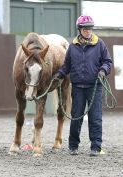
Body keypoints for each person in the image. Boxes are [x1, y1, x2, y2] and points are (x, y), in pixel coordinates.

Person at [55, 15, 113, 156]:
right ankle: (73, 146)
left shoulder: (99, 44)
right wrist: (60, 74)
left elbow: (107, 62)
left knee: (95, 118)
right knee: (76, 117)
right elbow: (67, 65)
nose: (88, 31)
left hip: (95, 86)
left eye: (90, 28)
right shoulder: (73, 46)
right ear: (80, 29)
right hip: (78, 87)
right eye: (85, 29)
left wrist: (103, 70)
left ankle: (96, 147)